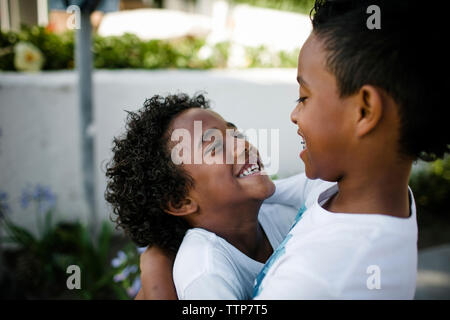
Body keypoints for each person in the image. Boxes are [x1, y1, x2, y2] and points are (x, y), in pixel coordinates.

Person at [137, 0, 449, 299]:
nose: (294, 114)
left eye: (304, 97)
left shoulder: (312, 281)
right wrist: (165, 243)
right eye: (216, 144)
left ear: (364, 111)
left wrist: (155, 277)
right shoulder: (344, 192)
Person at [105, 93, 299, 299]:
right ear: (181, 201)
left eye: (237, 135)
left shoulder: (285, 210)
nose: (243, 145)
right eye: (215, 146)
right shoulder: (204, 271)